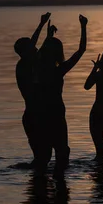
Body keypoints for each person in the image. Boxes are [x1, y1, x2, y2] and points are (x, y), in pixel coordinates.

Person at [34, 14, 88, 176]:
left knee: (44, 152)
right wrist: (83, 26)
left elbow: (37, 51)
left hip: (41, 113)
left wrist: (45, 32)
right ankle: (60, 183)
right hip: (56, 112)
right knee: (61, 150)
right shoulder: (58, 71)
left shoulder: (37, 69)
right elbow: (81, 50)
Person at [14, 12, 51, 162]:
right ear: (24, 52)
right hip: (33, 116)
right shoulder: (23, 66)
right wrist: (41, 25)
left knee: (45, 156)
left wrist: (46, 33)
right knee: (42, 156)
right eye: (31, 47)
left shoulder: (30, 64)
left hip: (37, 115)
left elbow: (35, 47)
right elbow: (33, 46)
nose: (35, 49)